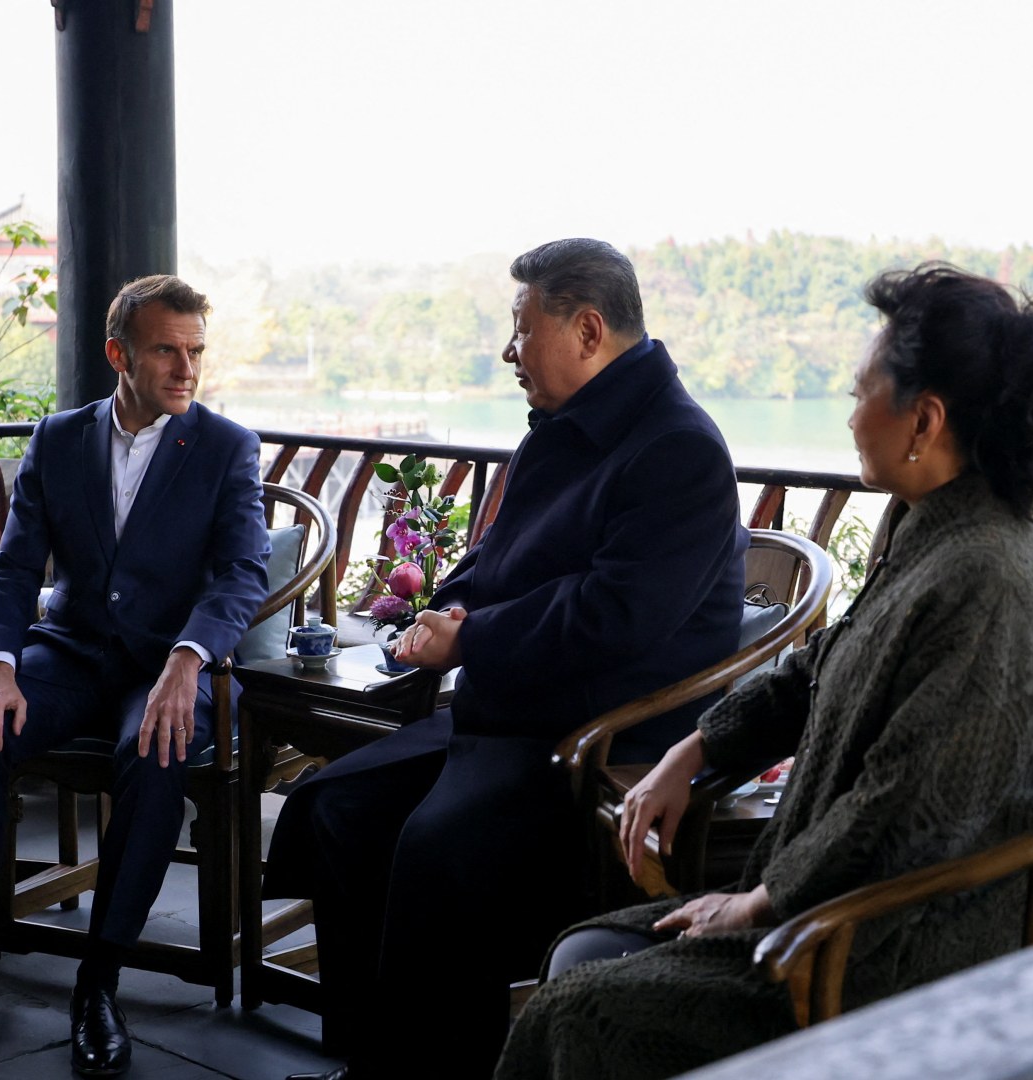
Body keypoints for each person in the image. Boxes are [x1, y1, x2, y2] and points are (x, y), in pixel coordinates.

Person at [497, 263, 1033, 1080]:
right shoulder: (939, 536)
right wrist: (699, 750)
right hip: (827, 918)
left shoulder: (988, 585)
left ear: (923, 421)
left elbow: (908, 812)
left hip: (881, 961)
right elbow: (824, 662)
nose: (851, 417)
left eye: (863, 394)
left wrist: (761, 902)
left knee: (583, 1008)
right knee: (579, 947)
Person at [267, 238, 749, 1080]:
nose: (509, 352)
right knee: (332, 805)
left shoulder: (679, 449)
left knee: (437, 848)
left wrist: (474, 639)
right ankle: (372, 1052)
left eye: (521, 330)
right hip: (511, 709)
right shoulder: (562, 431)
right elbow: (498, 558)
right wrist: (446, 608)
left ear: (588, 330)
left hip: (594, 731)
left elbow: (616, 615)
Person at [0, 275, 269, 1077]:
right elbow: (14, 569)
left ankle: (100, 981)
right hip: (74, 650)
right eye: (167, 350)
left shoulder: (226, 446)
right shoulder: (58, 439)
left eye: (195, 350)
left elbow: (241, 577)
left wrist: (188, 660)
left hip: (167, 666)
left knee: (153, 752)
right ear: (119, 353)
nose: (187, 367)